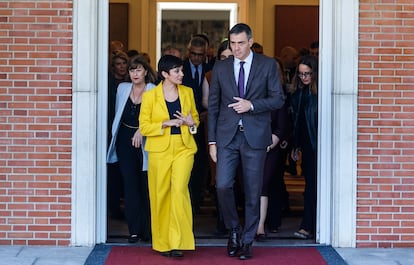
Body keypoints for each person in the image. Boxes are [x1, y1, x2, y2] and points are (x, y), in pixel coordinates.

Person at [208, 23, 284, 260]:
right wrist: (211, 141)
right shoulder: (220, 68)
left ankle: (248, 239)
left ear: (251, 41)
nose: (236, 48)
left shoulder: (268, 65)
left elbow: (278, 99)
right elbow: (213, 107)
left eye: (241, 43)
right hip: (226, 137)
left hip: (255, 136)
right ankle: (234, 230)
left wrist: (251, 105)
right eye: (232, 43)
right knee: (222, 185)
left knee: (253, 191)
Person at [139, 55, 199, 258]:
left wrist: (191, 123)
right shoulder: (150, 96)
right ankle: (163, 242)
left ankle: (178, 242)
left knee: (179, 191)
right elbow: (144, 126)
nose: (181, 74)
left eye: (181, 70)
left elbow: (195, 120)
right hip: (159, 150)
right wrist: (166, 123)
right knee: (161, 194)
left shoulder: (188, 92)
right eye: (177, 71)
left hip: (184, 148)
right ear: (165, 74)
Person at [107, 55, 158, 243]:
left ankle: (149, 230)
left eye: (138, 70)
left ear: (145, 71)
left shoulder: (154, 90)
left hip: (146, 142)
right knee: (130, 185)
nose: (135, 73)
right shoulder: (122, 88)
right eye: (132, 70)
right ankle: (134, 230)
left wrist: (141, 131)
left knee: (146, 184)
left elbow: (156, 116)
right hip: (124, 141)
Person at [256, 59, 290, 240]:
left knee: (263, 184)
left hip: (271, 146)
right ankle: (252, 223)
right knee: (249, 185)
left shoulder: (278, 96)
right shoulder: (252, 92)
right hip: (251, 145)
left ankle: (260, 226)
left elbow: (281, 124)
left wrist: (272, 142)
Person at [289, 55, 318, 239]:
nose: (304, 78)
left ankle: (310, 225)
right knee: (310, 187)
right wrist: (295, 146)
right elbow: (297, 122)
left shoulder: (320, 94)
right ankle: (307, 225)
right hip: (308, 147)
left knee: (314, 187)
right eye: (300, 74)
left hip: (319, 146)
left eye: (307, 74)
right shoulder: (298, 95)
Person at [182, 35, 209, 215]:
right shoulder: (181, 69)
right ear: (188, 52)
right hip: (185, 121)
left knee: (202, 162)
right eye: (194, 54)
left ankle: (198, 198)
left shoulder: (211, 69)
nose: (197, 58)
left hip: (206, 121)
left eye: (200, 54)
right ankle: (188, 198)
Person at [107, 50, 129, 220]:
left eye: (124, 64)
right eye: (118, 64)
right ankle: (113, 207)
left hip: (128, 130)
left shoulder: (131, 82)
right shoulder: (108, 83)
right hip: (111, 129)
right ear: (113, 67)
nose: (122, 67)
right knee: (113, 171)